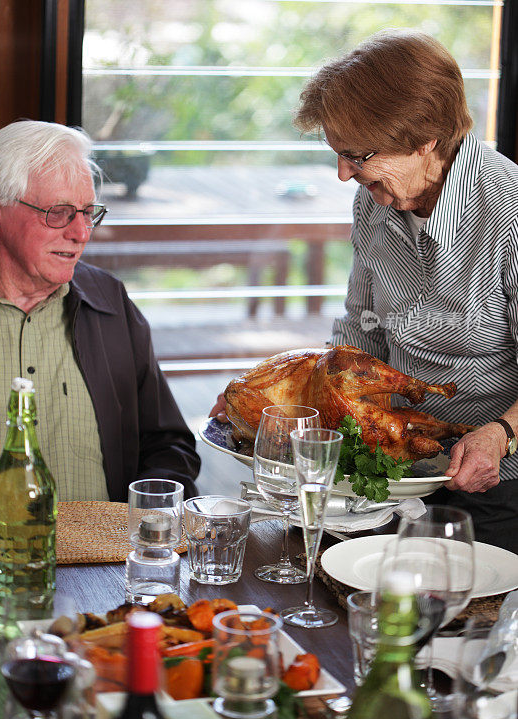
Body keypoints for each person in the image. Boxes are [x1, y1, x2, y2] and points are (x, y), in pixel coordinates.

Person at [211, 29, 518, 552]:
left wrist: (501, 435)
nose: (341, 174)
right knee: (301, 565)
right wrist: (277, 403)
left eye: (355, 156)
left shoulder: (507, 214)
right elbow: (360, 336)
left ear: (425, 139)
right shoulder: (375, 202)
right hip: (389, 468)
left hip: (495, 482)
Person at [0, 120, 200, 501]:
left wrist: (145, 520)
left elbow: (168, 445)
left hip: (108, 559)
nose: (81, 233)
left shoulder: (110, 300)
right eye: (59, 212)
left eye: (88, 212)